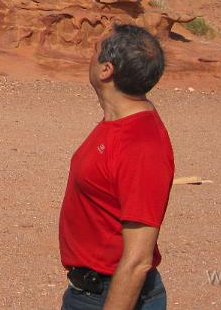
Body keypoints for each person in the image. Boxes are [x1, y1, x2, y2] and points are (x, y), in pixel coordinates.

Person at [58, 24, 175, 310]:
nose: (89, 55)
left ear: (106, 70)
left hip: (111, 296)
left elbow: (137, 261)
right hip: (87, 290)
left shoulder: (141, 146)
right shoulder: (119, 123)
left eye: (94, 50)